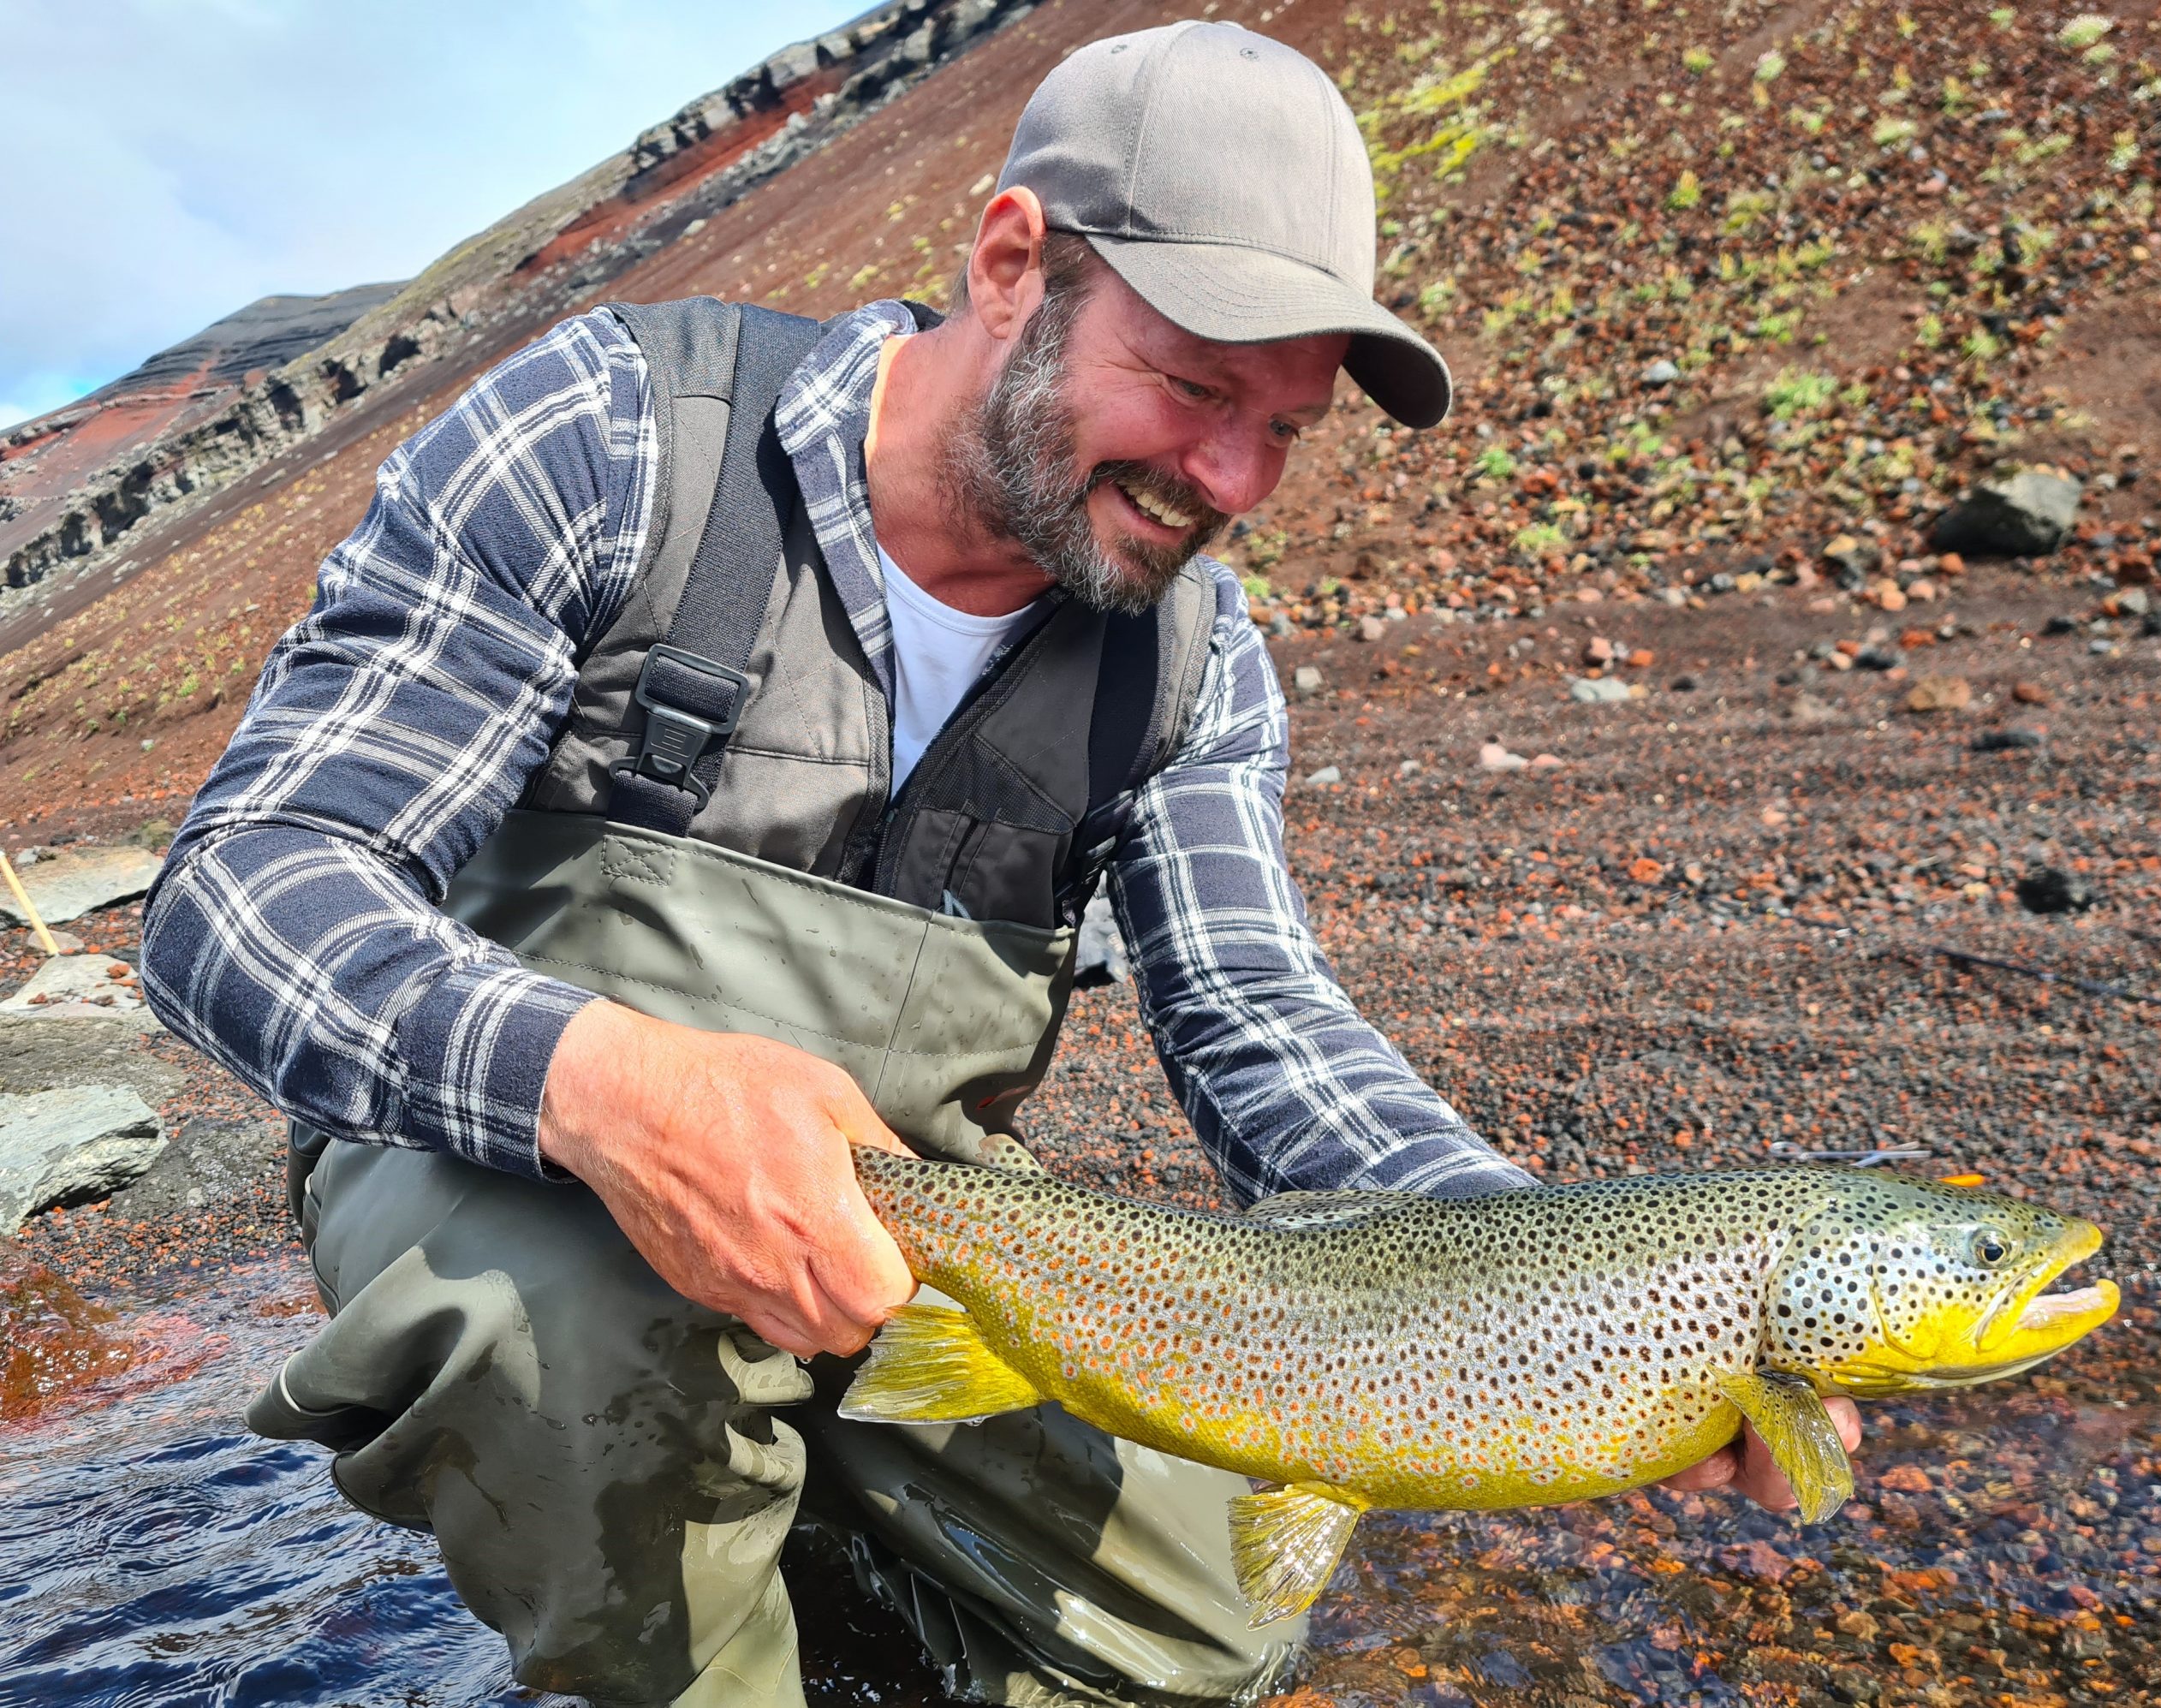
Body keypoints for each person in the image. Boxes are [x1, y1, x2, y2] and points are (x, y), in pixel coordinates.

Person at [141, 21, 1860, 1708]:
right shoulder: (611, 441)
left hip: (931, 1228)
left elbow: (1257, 1016)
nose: (1228, 480)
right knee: (568, 1340)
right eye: (1192, 387)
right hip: (519, 1173)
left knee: (1202, 1622)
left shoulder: (1187, 652)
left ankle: (820, 1564)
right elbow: (248, 887)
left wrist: (1544, 1279)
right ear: (1012, 261)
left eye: (1284, 429)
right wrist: (604, 1087)